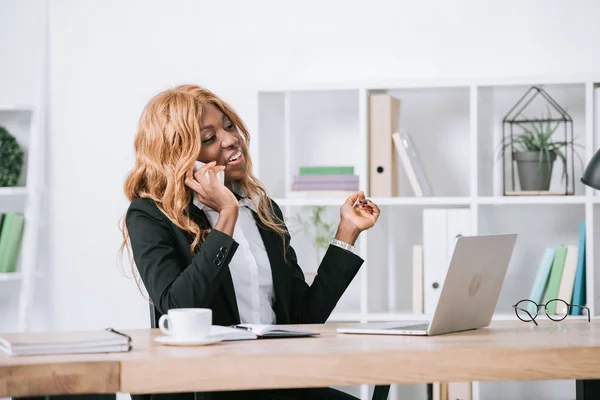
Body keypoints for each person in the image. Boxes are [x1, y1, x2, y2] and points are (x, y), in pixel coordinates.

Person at [120, 84, 381, 400]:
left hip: (276, 380)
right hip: (208, 389)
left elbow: (301, 320)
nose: (231, 139)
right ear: (178, 156)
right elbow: (178, 308)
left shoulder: (263, 210)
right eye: (209, 138)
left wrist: (347, 232)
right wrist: (226, 214)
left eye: (229, 126)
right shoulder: (150, 215)